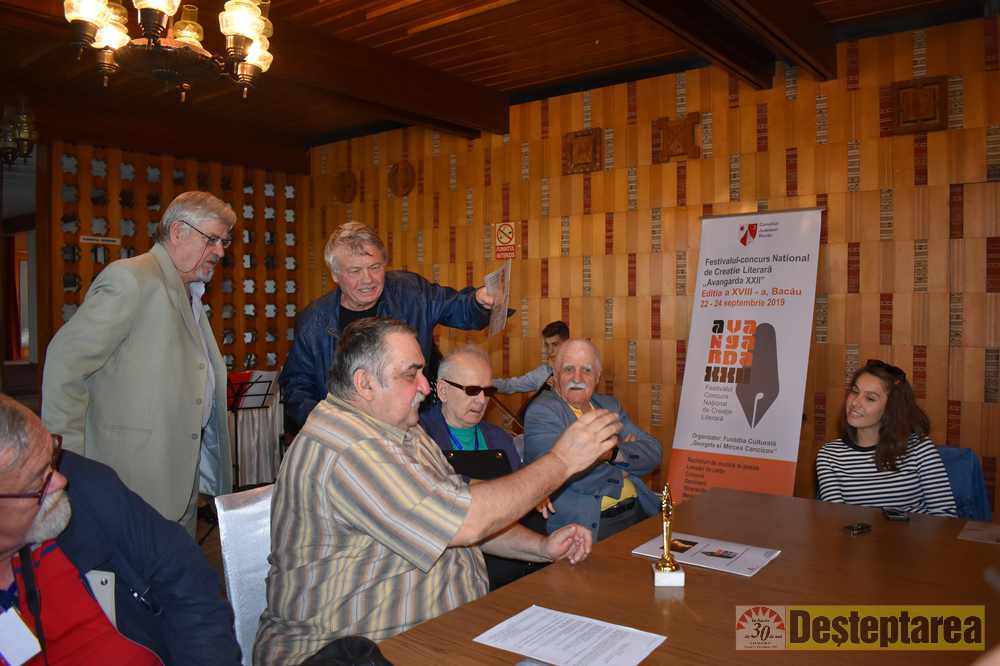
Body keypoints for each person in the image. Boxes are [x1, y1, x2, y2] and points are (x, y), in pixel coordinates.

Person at [254, 319, 621, 664]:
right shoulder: (349, 447)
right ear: (364, 383)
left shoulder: (401, 429)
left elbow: (457, 504)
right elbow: (468, 521)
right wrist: (561, 461)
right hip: (357, 650)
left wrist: (541, 547)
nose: (426, 387)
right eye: (410, 374)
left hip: (439, 630)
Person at [41, 191, 235, 537]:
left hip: (176, 480)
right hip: (130, 482)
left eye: (224, 242)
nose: (220, 251)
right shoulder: (131, 279)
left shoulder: (189, 292)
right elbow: (65, 366)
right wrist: (70, 466)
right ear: (178, 232)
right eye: (212, 239)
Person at [0, 394, 241, 665]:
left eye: (52, 456)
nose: (60, 480)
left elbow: (187, 578)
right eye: (37, 482)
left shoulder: (85, 487)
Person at [278, 222, 496, 435]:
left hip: (412, 426)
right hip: (345, 434)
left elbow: (458, 307)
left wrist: (478, 302)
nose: (367, 279)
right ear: (335, 275)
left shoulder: (411, 292)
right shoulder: (313, 322)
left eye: (375, 267)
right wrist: (329, 426)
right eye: (354, 271)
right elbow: (296, 386)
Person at [420, 345, 546, 589]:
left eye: (487, 391)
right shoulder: (422, 436)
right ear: (443, 391)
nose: (481, 400)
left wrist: (535, 493)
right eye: (472, 390)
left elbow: (522, 492)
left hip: (513, 564)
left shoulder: (499, 438)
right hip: (452, 575)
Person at [524, 339, 662, 542]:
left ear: (597, 377)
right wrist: (622, 469)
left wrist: (613, 454)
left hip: (641, 508)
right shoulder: (542, 412)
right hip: (591, 525)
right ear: (555, 374)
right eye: (569, 369)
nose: (577, 377)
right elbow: (558, 473)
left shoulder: (609, 405)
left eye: (586, 370)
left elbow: (654, 451)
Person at [816, 360, 957, 516]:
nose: (855, 403)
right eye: (855, 391)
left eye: (870, 398)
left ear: (891, 408)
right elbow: (835, 519)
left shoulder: (920, 448)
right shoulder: (829, 455)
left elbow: (945, 515)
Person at [493, 320, 569, 395]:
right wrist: (488, 383)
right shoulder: (542, 372)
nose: (550, 351)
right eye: (547, 345)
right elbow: (510, 385)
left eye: (555, 344)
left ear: (567, 343)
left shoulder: (575, 371)